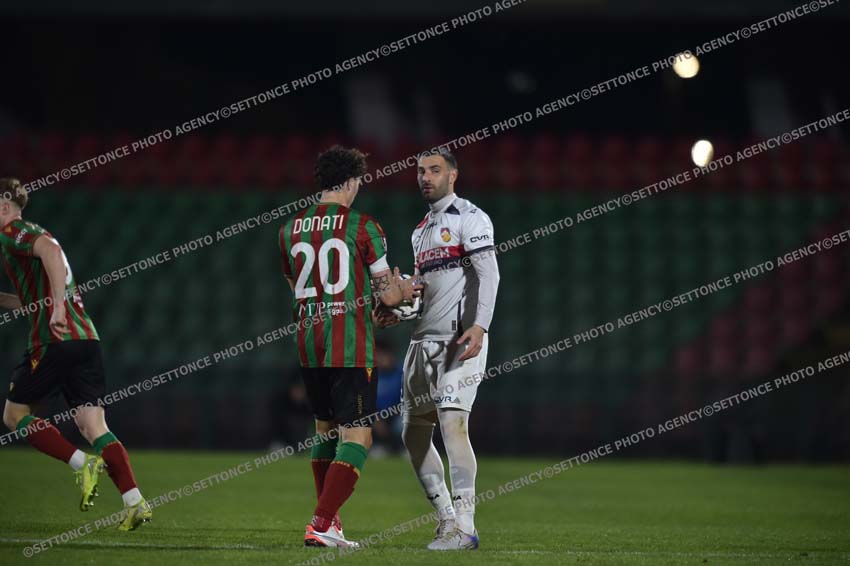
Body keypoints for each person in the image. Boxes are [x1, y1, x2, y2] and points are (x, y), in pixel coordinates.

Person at [279, 146, 421, 548]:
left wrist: (365, 309)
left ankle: (330, 523)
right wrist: (405, 290)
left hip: (309, 342)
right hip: (349, 344)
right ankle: (321, 522)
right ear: (351, 181)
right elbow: (389, 295)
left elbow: (298, 290)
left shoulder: (290, 229)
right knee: (358, 438)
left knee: (324, 430)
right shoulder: (363, 226)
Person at [0, 177, 151, 531]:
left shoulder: (12, 231)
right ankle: (135, 502)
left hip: (54, 340)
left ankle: (83, 463)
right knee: (92, 425)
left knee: (14, 415)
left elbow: (51, 254)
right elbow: (33, 298)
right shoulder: (36, 230)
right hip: (85, 339)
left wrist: (56, 308)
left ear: (4, 206)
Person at [378, 150, 499, 550]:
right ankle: (446, 518)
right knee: (413, 435)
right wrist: (399, 310)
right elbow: (424, 293)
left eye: (434, 170)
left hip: (457, 339)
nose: (425, 177)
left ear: (453, 175)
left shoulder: (471, 217)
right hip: (421, 342)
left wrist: (479, 326)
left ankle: (465, 525)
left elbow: (489, 274)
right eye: (420, 171)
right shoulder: (420, 231)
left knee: (452, 423)